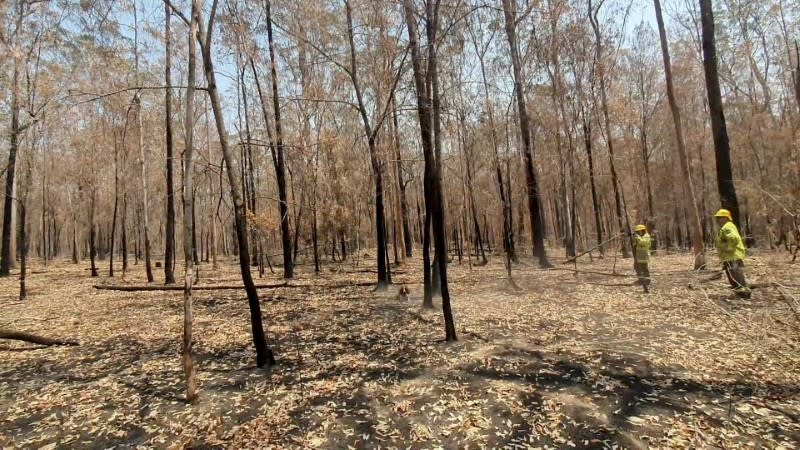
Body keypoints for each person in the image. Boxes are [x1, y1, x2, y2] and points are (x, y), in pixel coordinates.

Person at [714, 209, 751, 299]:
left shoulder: (728, 226)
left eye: (720, 218)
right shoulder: (726, 227)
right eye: (717, 218)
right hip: (729, 257)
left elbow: (734, 237)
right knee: (732, 275)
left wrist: (730, 248)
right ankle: (739, 293)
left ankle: (743, 294)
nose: (718, 220)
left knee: (736, 275)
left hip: (733, 256)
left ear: (726, 218)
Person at [632, 224, 652, 293]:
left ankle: (647, 280)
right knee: (637, 267)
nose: (638, 233)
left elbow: (643, 243)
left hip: (644, 255)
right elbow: (635, 244)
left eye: (639, 231)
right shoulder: (639, 236)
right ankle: (641, 279)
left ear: (642, 231)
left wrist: (637, 237)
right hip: (638, 255)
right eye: (637, 232)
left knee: (644, 268)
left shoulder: (646, 236)